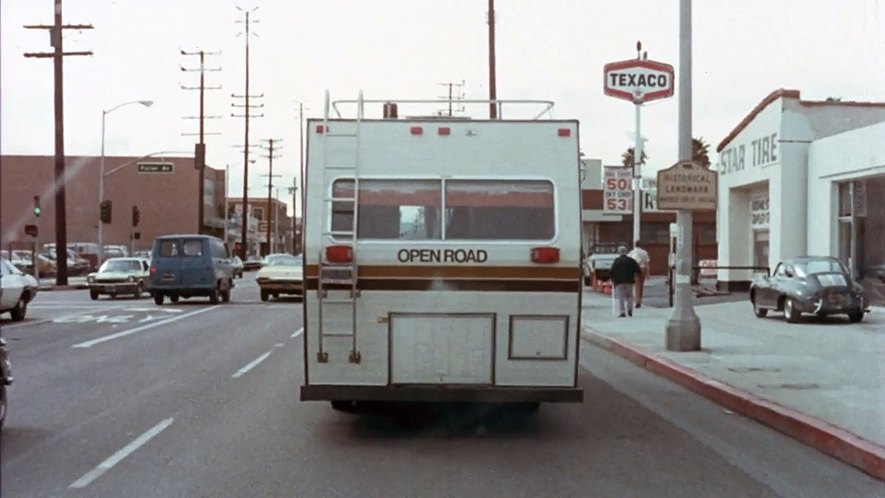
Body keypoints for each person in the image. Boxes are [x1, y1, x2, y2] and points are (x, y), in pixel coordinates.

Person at [610, 245, 641, 317]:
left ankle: (622, 311)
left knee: (621, 297)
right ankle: (630, 309)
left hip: (619, 282)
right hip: (629, 281)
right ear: (626, 252)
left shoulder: (616, 261)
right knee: (629, 296)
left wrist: (613, 279)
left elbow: (612, 271)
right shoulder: (631, 260)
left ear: (619, 252)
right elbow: (638, 270)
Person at [629, 240, 651, 308]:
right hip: (642, 269)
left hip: (634, 270)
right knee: (641, 285)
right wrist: (648, 273)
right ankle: (640, 300)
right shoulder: (644, 252)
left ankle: (636, 300)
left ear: (635, 245)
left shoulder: (631, 253)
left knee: (636, 286)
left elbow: (629, 262)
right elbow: (647, 264)